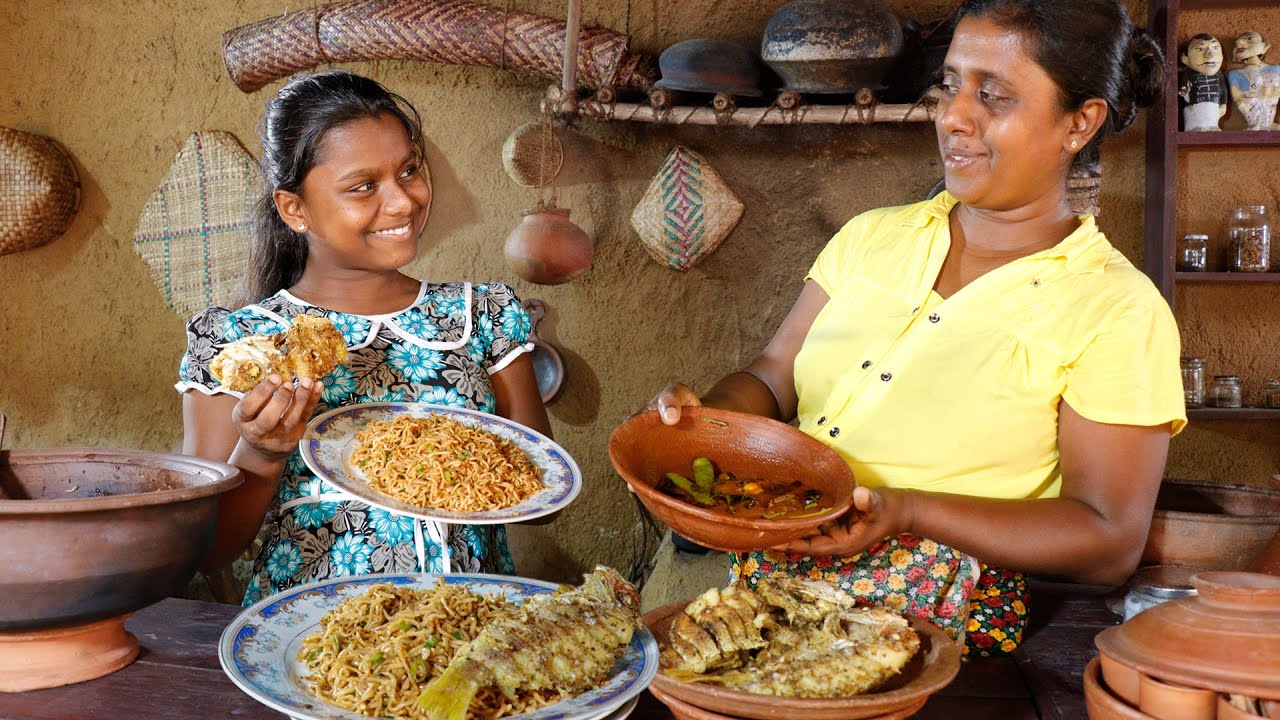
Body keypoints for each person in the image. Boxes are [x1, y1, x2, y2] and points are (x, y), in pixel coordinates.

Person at [646, 0, 1184, 656]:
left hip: (938, 629)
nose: (954, 116)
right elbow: (773, 375)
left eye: (993, 95)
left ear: (1080, 123)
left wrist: (907, 511)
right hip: (773, 590)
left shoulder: (1116, 308)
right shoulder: (872, 238)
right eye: (951, 85)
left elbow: (1107, 541)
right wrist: (709, 422)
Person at [178, 70, 551, 606]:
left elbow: (547, 496)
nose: (402, 202)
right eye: (363, 186)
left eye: (409, 171)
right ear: (294, 209)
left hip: (471, 628)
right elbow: (208, 551)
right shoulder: (237, 345)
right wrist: (260, 454)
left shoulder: (484, 316)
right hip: (312, 640)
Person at [1178, 34, 1227, 131]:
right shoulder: (1188, 74)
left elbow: (1223, 90)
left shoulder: (1219, 75)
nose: (1210, 55)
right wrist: (1183, 91)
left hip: (1214, 104)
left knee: (1212, 120)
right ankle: (1195, 127)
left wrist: (1224, 103)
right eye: (1200, 49)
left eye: (1215, 48)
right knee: (1196, 121)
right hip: (1195, 105)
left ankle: (1212, 126)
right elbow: (1183, 88)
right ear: (1185, 59)